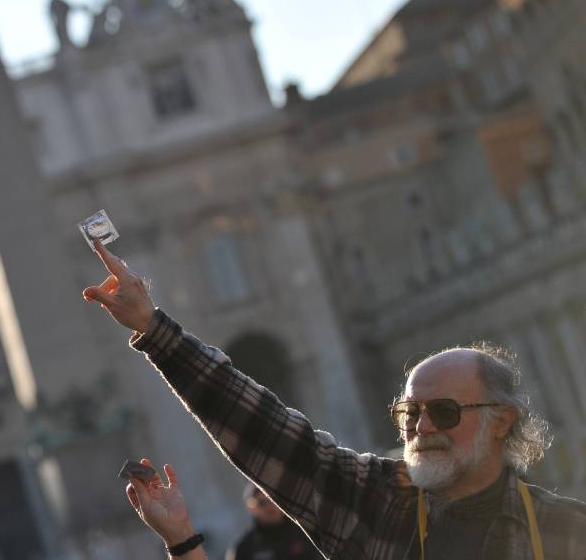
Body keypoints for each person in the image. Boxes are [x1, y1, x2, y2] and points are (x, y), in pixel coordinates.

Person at [84, 240, 586, 559]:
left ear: (502, 422)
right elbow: (266, 428)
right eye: (409, 413)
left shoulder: (565, 532)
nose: (421, 428)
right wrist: (154, 329)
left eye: (445, 412)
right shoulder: (377, 501)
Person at [227, 483, 322, 560]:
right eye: (262, 503)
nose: (270, 507)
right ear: (251, 508)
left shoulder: (306, 534)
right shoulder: (245, 547)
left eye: (273, 500)